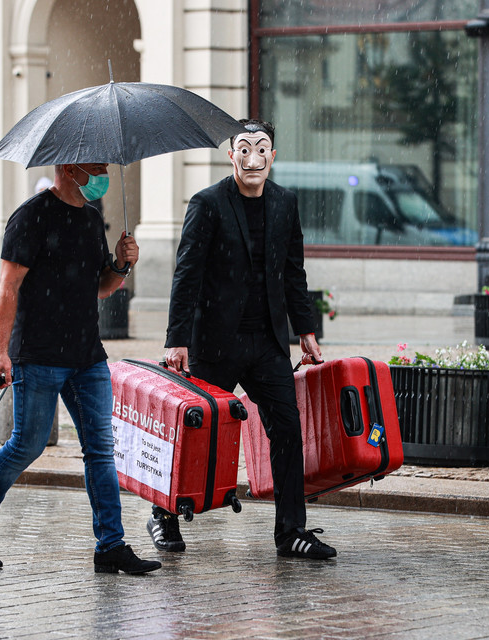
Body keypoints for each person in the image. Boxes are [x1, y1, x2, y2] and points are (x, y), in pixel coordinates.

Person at [0, 162, 161, 575]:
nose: (104, 171)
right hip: (38, 354)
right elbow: (8, 286)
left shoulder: (91, 218)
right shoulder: (31, 216)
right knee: (26, 446)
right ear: (70, 167)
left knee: (101, 449)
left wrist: (121, 265)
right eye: (97, 165)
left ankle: (111, 545)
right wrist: (2, 353)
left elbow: (101, 287)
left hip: (87, 357)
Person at [154, 119, 337, 560]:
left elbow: (294, 274)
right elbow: (187, 275)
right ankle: (163, 515)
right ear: (231, 155)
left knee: (288, 429)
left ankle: (291, 531)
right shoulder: (208, 203)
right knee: (193, 432)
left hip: (266, 343)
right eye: (243, 149)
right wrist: (177, 340)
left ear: (273, 156)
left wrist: (306, 331)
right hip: (214, 342)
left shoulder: (284, 203)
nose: (252, 158)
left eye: (261, 149)